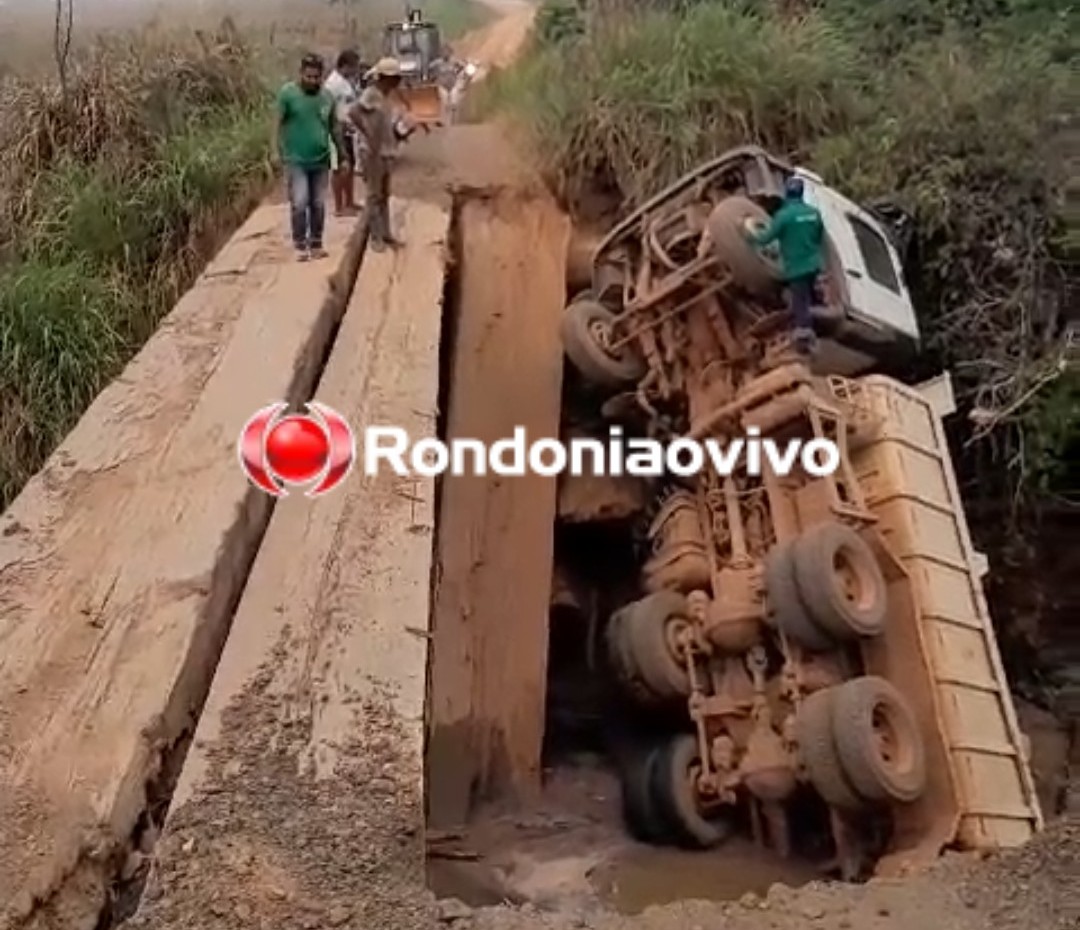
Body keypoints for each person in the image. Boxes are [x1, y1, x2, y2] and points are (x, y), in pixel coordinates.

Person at [273, 53, 346, 261]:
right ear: (301, 74)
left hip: (321, 159)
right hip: (296, 159)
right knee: (300, 200)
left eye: (316, 77)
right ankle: (299, 244)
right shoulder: (288, 94)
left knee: (318, 203)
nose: (312, 81)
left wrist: (342, 155)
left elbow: (335, 128)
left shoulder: (327, 97)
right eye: (309, 76)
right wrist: (275, 150)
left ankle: (316, 242)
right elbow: (277, 123)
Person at [746, 176, 825, 355]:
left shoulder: (783, 216)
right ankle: (817, 319)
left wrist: (748, 236)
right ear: (801, 192)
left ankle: (805, 341)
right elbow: (819, 236)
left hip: (796, 268)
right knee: (810, 296)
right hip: (813, 264)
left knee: (800, 305)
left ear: (787, 193)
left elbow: (765, 238)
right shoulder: (814, 213)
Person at [350, 57, 415, 252]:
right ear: (384, 78)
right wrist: (368, 135)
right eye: (394, 78)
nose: (397, 82)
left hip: (385, 151)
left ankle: (385, 234)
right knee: (373, 196)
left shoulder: (386, 96)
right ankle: (375, 237)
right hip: (372, 152)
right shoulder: (372, 94)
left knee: (383, 195)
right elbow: (353, 112)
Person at [324, 49, 362, 217]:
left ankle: (350, 202)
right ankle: (339, 207)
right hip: (337, 131)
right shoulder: (332, 85)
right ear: (345, 66)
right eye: (354, 67)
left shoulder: (346, 82)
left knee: (350, 166)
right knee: (339, 168)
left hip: (348, 131)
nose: (356, 71)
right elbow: (328, 110)